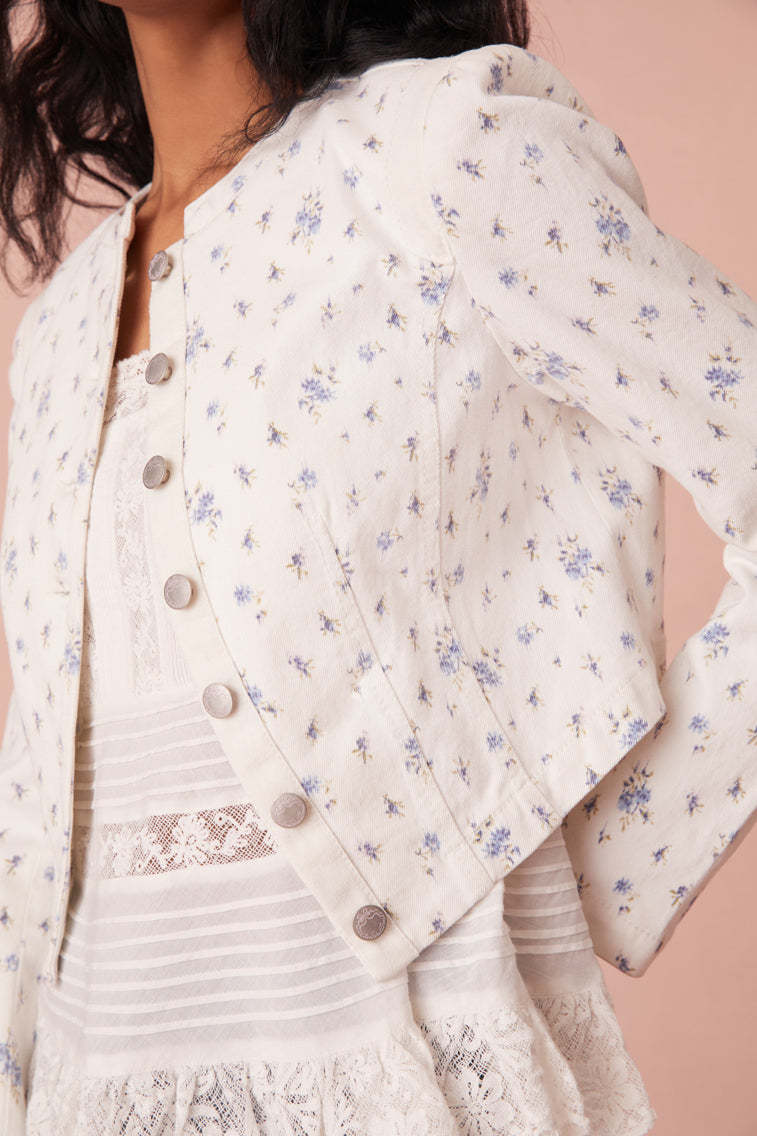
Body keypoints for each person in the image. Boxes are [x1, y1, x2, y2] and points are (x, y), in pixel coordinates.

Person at [1, 2, 754, 1134]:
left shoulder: (442, 152)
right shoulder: (58, 331)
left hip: (401, 1081)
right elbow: (41, 791)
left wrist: (620, 854)